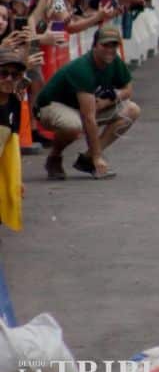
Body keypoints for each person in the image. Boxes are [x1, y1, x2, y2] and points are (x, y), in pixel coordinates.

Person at [35, 27, 141, 180]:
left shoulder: (114, 61)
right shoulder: (82, 68)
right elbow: (89, 118)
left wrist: (111, 98)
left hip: (83, 107)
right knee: (73, 126)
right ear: (95, 45)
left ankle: (87, 159)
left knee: (132, 110)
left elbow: (128, 89)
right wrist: (99, 157)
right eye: (105, 45)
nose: (110, 50)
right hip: (51, 106)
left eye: (114, 45)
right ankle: (55, 157)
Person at [0, 47, 25, 231]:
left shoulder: (14, 103)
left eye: (14, 75)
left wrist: (16, 179)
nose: (9, 79)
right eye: (3, 73)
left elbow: (11, 146)